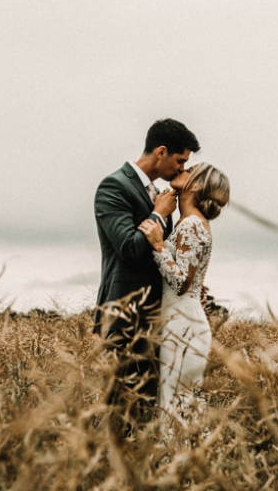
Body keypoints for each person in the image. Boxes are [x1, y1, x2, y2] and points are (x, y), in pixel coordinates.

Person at [94, 118, 200, 438]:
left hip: (155, 319)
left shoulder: (157, 192)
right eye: (180, 161)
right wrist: (159, 214)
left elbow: (160, 252)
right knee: (119, 411)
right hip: (124, 319)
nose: (181, 169)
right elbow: (128, 248)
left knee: (145, 411)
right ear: (161, 152)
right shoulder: (114, 186)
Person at [138, 162, 230, 435]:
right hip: (183, 323)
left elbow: (180, 283)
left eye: (189, 170)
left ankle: (179, 470)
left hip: (183, 327)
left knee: (175, 410)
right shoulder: (189, 222)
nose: (182, 169)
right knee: (182, 408)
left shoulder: (191, 224)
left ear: (198, 186)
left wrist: (158, 245)